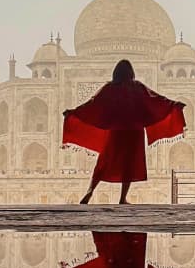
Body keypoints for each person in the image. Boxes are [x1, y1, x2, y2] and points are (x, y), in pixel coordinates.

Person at [62, 59, 185, 204]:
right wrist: (173, 105)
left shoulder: (109, 88)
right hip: (134, 132)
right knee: (129, 165)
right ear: (131, 73)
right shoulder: (137, 87)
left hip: (116, 131)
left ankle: (89, 191)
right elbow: (156, 100)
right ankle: (122, 198)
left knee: (103, 162)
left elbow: (93, 104)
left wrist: (74, 112)